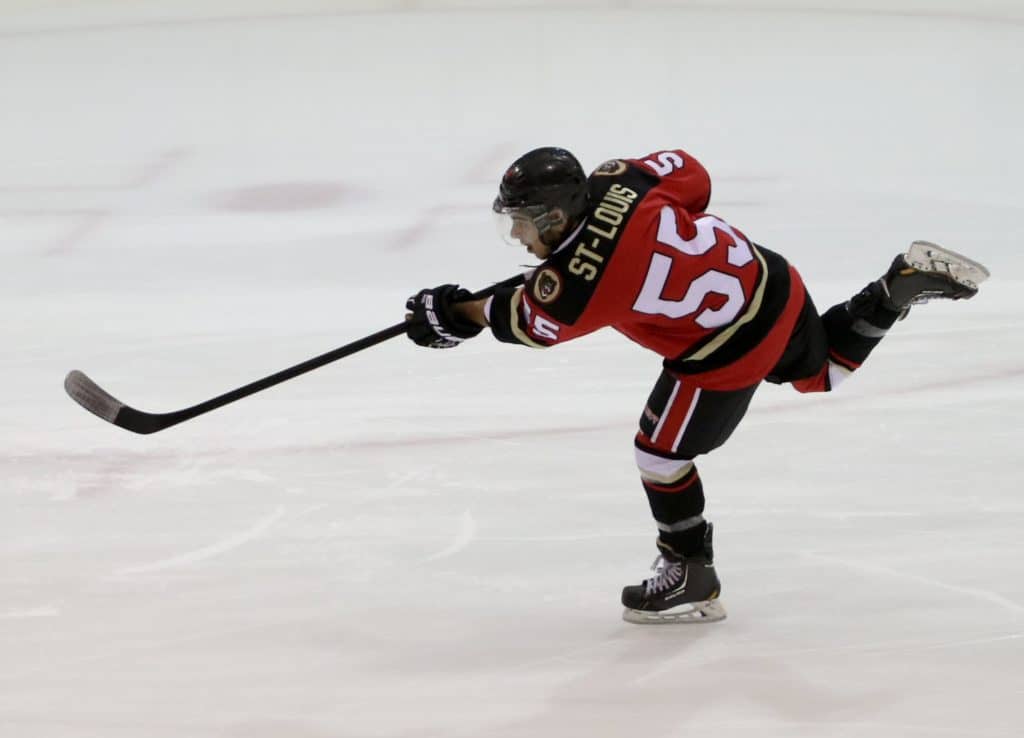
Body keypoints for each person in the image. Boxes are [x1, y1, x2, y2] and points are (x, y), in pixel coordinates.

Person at [404, 147, 989, 624]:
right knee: (822, 370)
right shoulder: (619, 177)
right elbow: (692, 175)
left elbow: (526, 321)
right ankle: (896, 287)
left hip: (726, 348)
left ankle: (690, 574)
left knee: (658, 455)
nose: (517, 234)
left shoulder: (579, 286)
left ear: (555, 217)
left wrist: (455, 314)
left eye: (523, 223)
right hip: (770, 280)